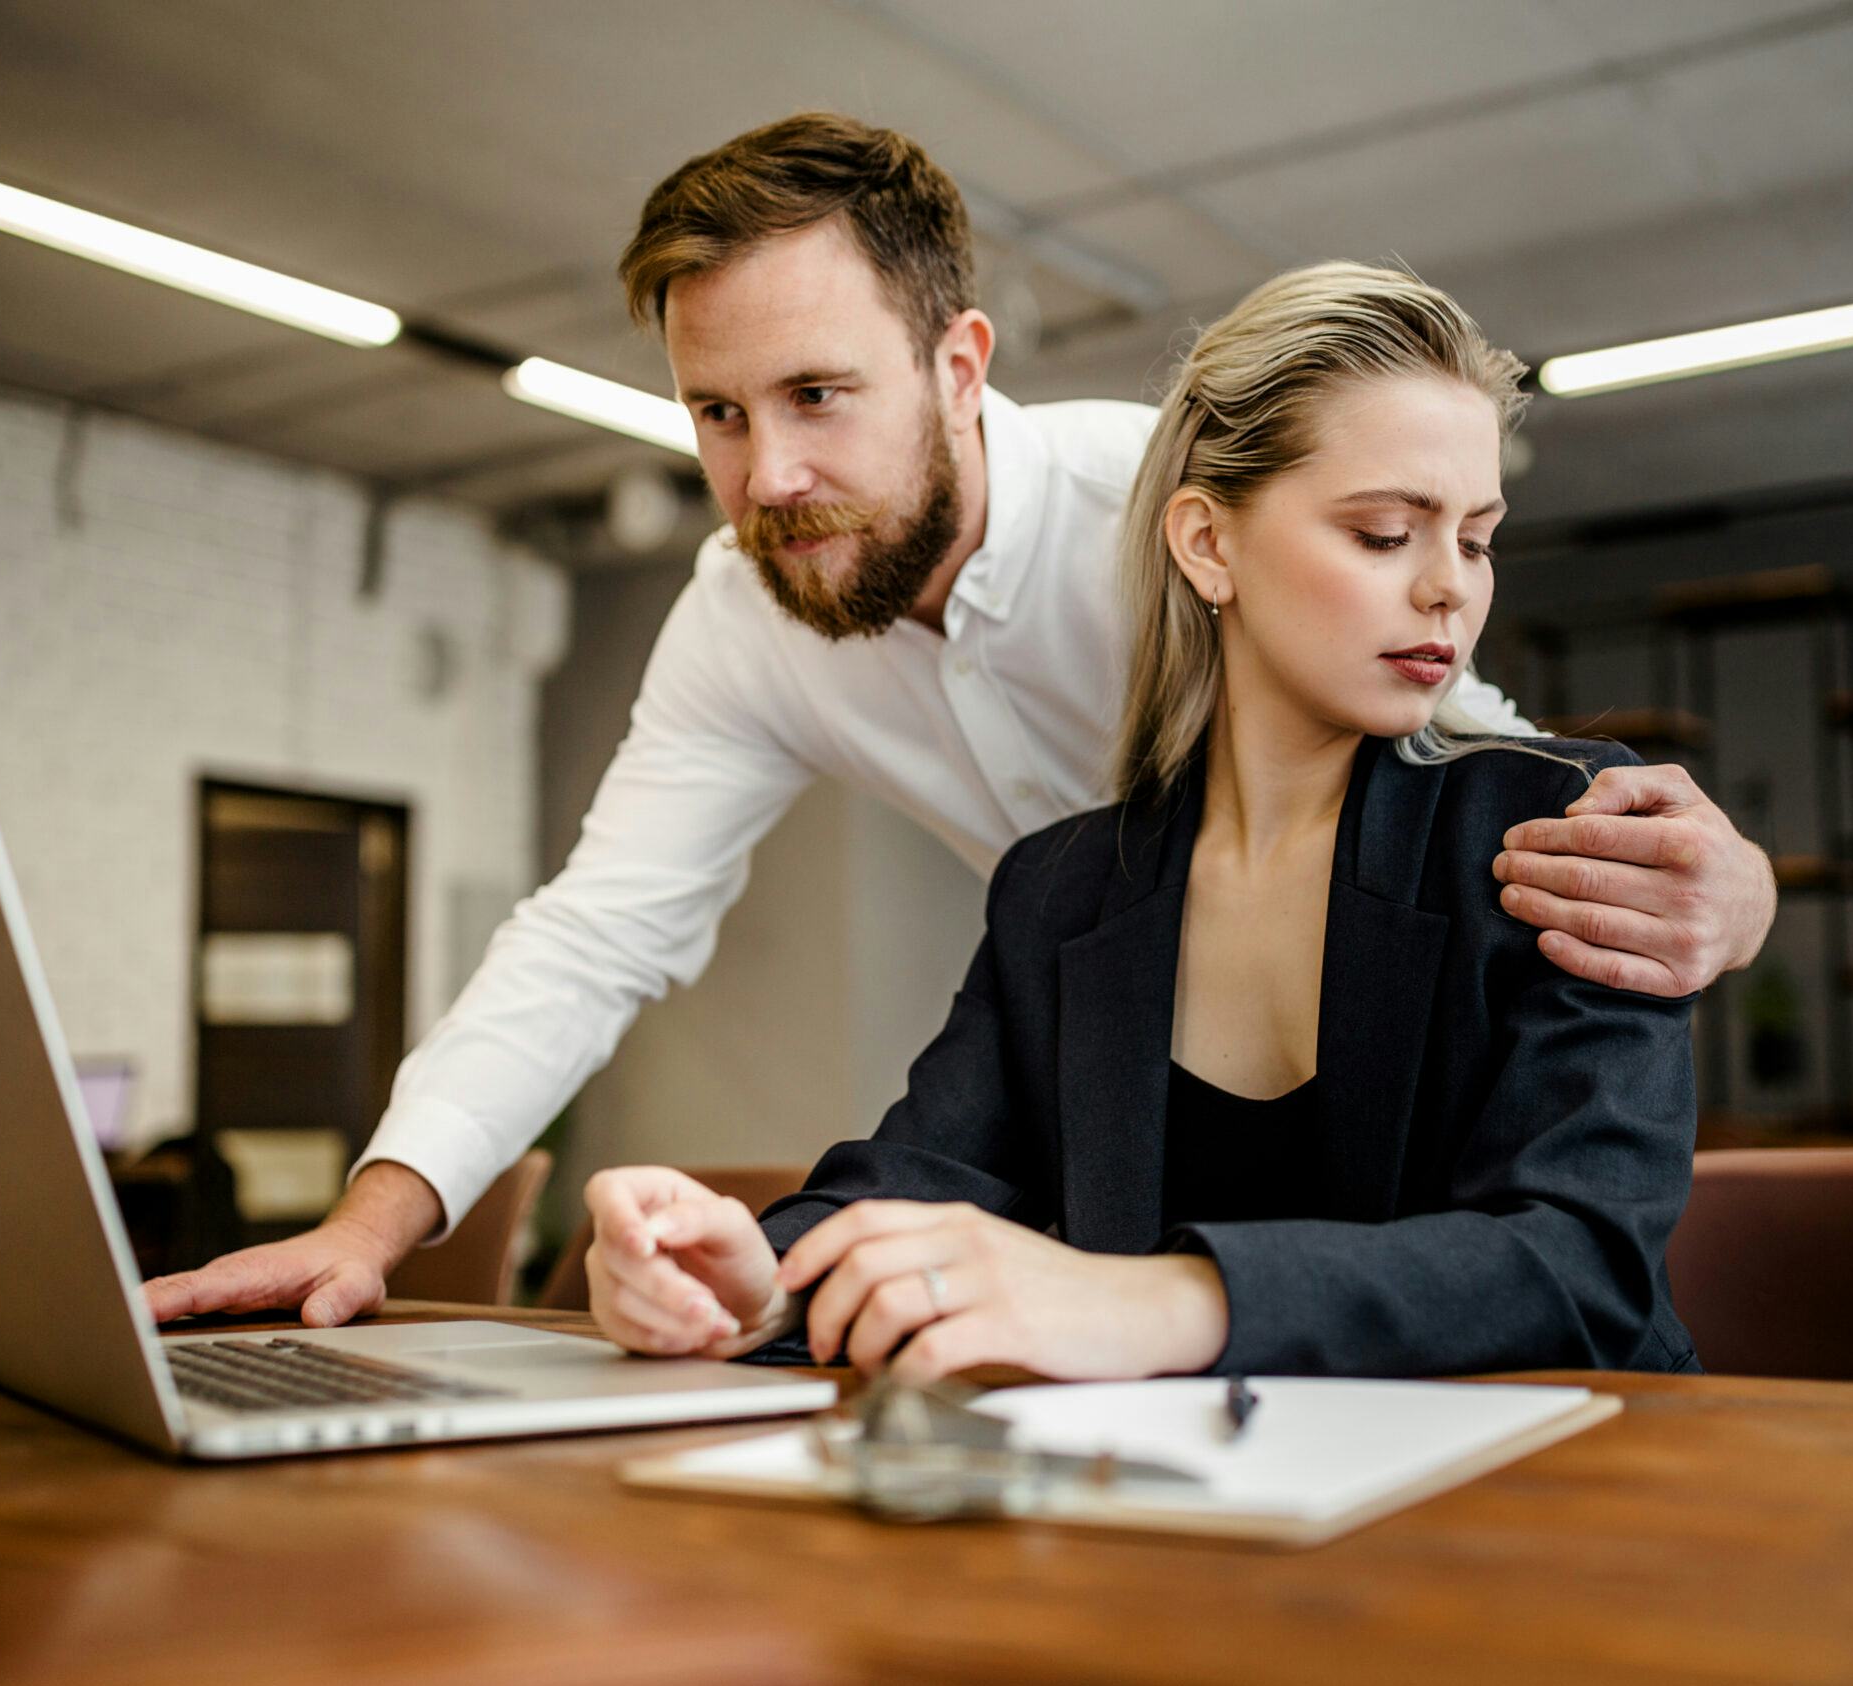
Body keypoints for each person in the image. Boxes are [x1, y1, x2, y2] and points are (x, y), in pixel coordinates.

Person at [141, 113, 1770, 1333]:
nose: (764, 474)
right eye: (717, 412)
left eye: (819, 396)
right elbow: (601, 941)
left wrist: (1731, 885)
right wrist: (695, 1263)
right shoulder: (986, 829)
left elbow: (1460, 745)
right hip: (1144, 1178)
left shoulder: (1172, 506)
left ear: (960, 364)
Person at [577, 261, 1701, 1381]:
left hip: (1569, 1505)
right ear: (1208, 545)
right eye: (1382, 534)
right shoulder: (1059, 890)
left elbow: (1579, 1266)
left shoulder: (1559, 834)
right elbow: (917, 1177)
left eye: (1474, 537)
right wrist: (752, 1279)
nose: (1449, 589)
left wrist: (1166, 1302)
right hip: (1210, 1518)